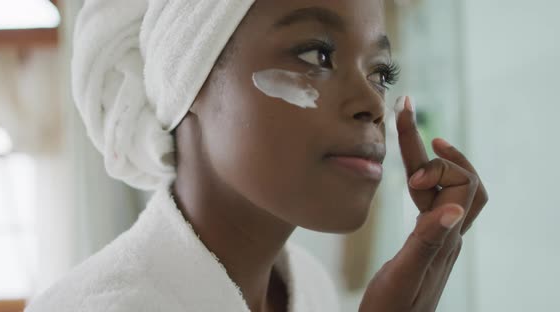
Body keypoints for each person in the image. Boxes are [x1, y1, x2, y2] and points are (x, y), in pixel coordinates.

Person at [25, 0, 488, 311]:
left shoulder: (309, 287)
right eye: (316, 55)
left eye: (381, 72)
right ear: (187, 81)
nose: (372, 102)